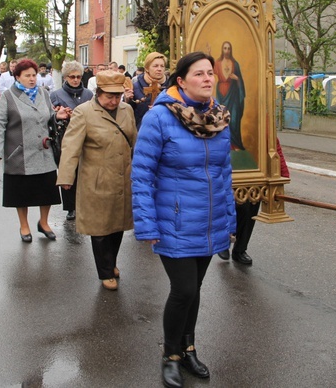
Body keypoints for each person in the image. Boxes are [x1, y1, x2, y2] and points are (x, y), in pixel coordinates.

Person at [132, 52, 236, 388]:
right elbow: (142, 173)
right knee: (184, 289)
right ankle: (171, 356)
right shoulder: (160, 118)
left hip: (209, 221)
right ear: (181, 81)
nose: (208, 79)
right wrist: (146, 224)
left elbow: (224, 173)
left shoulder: (218, 118)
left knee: (196, 289)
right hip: (174, 220)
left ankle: (189, 348)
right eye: (199, 74)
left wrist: (229, 218)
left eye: (211, 73)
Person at [57, 70, 136, 290]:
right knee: (100, 228)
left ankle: (111, 263)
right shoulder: (83, 112)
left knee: (118, 224)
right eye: (109, 96)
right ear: (98, 93)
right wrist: (66, 176)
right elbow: (70, 146)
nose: (114, 101)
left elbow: (134, 141)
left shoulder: (127, 110)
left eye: (118, 96)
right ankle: (105, 271)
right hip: (97, 179)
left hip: (123, 177)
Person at [0, 58, 70, 242]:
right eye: (27, 76)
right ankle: (24, 226)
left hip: (43, 150)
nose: (32, 79)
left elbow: (48, 116)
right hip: (20, 153)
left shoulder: (43, 93)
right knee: (22, 193)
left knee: (47, 190)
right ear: (17, 77)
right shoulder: (8, 97)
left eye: (34, 75)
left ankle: (44, 222)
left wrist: (57, 115)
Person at [218, 137, 290, 264]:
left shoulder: (262, 121)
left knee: (251, 209)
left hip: (257, 173)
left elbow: (273, 144)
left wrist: (283, 172)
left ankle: (240, 250)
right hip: (232, 170)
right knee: (233, 208)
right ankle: (225, 241)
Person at [50, 60, 94, 221]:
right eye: (72, 77)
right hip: (66, 135)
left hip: (87, 135)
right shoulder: (56, 94)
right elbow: (53, 116)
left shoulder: (88, 94)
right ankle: (70, 207)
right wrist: (61, 114)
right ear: (65, 77)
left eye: (78, 76)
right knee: (69, 170)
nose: (75, 80)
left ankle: (85, 204)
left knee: (87, 171)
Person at [215, 41, 246, 150]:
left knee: (234, 119)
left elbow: (240, 80)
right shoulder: (218, 63)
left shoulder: (235, 64)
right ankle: (223, 145)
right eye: (225, 48)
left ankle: (235, 145)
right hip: (221, 93)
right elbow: (209, 71)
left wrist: (236, 79)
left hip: (233, 95)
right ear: (222, 50)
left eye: (228, 48)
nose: (227, 51)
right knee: (221, 118)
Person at [130, 52, 168, 129]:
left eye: (162, 66)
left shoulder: (170, 86)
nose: (159, 69)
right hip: (142, 129)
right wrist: (128, 99)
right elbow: (129, 112)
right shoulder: (136, 86)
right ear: (147, 68)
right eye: (155, 66)